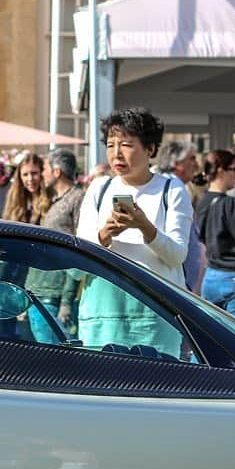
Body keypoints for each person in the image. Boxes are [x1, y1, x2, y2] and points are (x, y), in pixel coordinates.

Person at [75, 107, 192, 354]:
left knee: (155, 388)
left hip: (156, 314)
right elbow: (77, 259)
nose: (116, 154)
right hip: (103, 315)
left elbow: (177, 255)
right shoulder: (99, 188)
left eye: (126, 145)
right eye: (110, 145)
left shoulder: (171, 189)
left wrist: (146, 228)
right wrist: (103, 235)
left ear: (150, 149)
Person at [195, 149, 235, 319]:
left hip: (210, 276)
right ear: (220, 171)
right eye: (234, 169)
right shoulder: (231, 204)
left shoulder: (202, 201)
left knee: (214, 338)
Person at [157, 139, 206, 293]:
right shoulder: (171, 188)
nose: (196, 164)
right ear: (176, 163)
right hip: (176, 282)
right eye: (191, 158)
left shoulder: (171, 185)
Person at [41, 147, 84, 236]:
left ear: (57, 172)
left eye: (45, 169)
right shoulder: (55, 199)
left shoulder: (78, 197)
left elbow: (82, 236)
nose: (42, 174)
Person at [2, 153, 48, 224]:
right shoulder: (15, 199)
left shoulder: (50, 198)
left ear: (42, 173)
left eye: (34, 173)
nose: (30, 179)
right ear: (20, 177)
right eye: (25, 174)